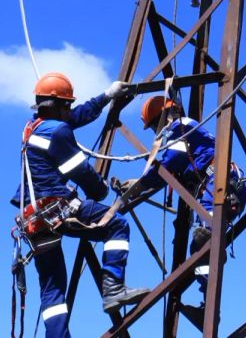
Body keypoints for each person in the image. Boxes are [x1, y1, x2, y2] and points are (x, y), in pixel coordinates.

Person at [12, 72, 150, 338]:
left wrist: (106, 97)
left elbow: (75, 118)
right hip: (55, 207)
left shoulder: (32, 127)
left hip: (33, 218)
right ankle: (113, 289)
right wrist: (101, 189)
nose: (71, 111)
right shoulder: (59, 131)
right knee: (117, 225)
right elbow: (82, 172)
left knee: (52, 287)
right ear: (62, 106)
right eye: (69, 106)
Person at [112, 95, 246, 322]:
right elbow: (168, 174)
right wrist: (138, 186)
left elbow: (170, 162)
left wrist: (139, 183)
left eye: (155, 125)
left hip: (220, 186)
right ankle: (208, 307)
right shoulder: (183, 134)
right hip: (219, 188)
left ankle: (210, 307)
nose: (157, 131)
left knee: (204, 240)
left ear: (165, 116)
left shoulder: (180, 126)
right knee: (201, 244)